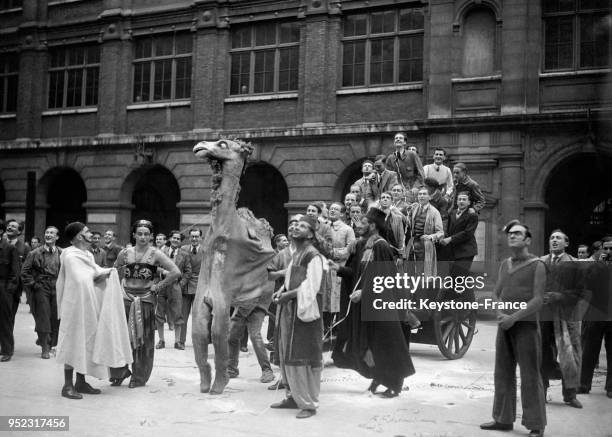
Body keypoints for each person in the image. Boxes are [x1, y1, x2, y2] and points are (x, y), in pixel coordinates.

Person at [332, 207, 415, 397]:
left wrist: (364, 292)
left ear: (372, 225)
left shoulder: (381, 246)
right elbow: (356, 274)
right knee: (372, 343)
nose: (359, 225)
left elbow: (385, 279)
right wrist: (337, 268)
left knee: (386, 343)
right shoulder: (362, 245)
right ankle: (378, 377)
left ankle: (395, 385)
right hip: (369, 304)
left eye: (362, 222)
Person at [480, 220, 546, 437]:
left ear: (528, 240)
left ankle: (536, 424)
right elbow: (496, 293)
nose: (512, 236)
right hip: (505, 325)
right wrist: (500, 313)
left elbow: (538, 300)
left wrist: (514, 318)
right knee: (502, 372)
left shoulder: (537, 265)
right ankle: (502, 419)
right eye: (510, 234)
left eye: (518, 234)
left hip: (526, 327)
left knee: (530, 374)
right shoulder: (505, 264)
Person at [56, 222, 133, 399]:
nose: (90, 234)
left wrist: (109, 271)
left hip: (88, 305)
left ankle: (81, 382)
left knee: (86, 341)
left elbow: (93, 272)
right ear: (78, 237)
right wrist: (98, 274)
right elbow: (80, 278)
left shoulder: (87, 254)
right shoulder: (70, 255)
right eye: (87, 232)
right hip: (74, 307)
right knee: (72, 342)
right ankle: (67, 385)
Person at [110, 220, 180, 388]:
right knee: (122, 338)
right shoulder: (125, 253)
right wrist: (116, 290)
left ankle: (139, 376)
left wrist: (158, 287)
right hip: (126, 299)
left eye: (146, 234)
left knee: (143, 339)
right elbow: (114, 272)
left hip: (146, 300)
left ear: (151, 236)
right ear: (134, 235)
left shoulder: (156, 253)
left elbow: (175, 272)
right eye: (139, 233)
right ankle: (120, 372)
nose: (143, 237)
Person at [270, 215, 325, 419]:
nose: (295, 228)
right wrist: (281, 290)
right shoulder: (297, 253)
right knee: (287, 355)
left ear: (311, 233)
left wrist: (288, 295)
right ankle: (292, 396)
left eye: (302, 226)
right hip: (288, 311)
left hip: (304, 314)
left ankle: (308, 404)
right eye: (294, 225)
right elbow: (290, 278)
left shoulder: (314, 256)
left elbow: (312, 287)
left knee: (302, 357)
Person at [539, 229, 585, 408]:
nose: (554, 240)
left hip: (567, 315)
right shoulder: (540, 262)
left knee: (570, 354)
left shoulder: (574, 264)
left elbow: (581, 291)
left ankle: (570, 394)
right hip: (544, 315)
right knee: (542, 353)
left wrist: (559, 296)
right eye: (552, 238)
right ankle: (541, 391)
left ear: (566, 243)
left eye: (558, 238)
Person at [579, 236, 612, 399]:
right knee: (589, 350)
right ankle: (584, 384)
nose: (608, 252)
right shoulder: (595, 266)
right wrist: (601, 266)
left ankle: (611, 387)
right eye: (605, 249)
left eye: (611, 249)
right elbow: (588, 285)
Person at [21, 226, 62, 359]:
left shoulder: (62, 253)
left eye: (52, 233)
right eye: (47, 233)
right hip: (41, 287)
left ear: (57, 237)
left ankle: (51, 344)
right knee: (43, 317)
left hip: (57, 287)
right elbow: (24, 272)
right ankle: (45, 347)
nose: (48, 235)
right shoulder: (34, 253)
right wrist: (34, 285)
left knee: (56, 317)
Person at [156, 230, 191, 350]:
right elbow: (155, 267)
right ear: (169, 239)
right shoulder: (162, 252)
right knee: (159, 313)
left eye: (178, 239)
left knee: (177, 314)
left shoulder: (184, 254)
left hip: (175, 286)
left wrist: (180, 285)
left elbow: (188, 272)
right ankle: (161, 340)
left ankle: (177, 342)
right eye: (174, 238)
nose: (175, 240)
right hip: (162, 285)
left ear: (181, 241)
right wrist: (160, 279)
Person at [405, 187, 444, 278]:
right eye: (420, 194)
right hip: (412, 245)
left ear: (429, 197)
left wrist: (430, 236)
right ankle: (412, 291)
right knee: (410, 271)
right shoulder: (414, 209)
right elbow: (408, 225)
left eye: (424, 194)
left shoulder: (435, 212)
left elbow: (441, 233)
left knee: (423, 273)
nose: (421, 196)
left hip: (426, 246)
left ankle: (421, 291)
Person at [438, 191, 478, 278]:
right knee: (460, 279)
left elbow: (468, 233)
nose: (461, 201)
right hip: (454, 251)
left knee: (456, 278)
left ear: (469, 202)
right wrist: (443, 236)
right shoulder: (452, 213)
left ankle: (444, 292)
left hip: (466, 251)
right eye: (459, 199)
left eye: (464, 199)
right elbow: (449, 230)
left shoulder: (472, 215)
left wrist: (450, 239)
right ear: (456, 201)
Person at [179, 228, 203, 349]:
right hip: (185, 286)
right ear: (189, 238)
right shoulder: (183, 250)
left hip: (200, 287)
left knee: (198, 317)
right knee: (183, 316)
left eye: (196, 236)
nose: (194, 239)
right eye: (192, 236)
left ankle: (197, 342)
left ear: (200, 238)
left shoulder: (206, 251)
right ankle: (181, 341)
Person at [0, 220, 19, 362]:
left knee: (5, 320)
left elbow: (15, 272)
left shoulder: (9, 249)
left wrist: (8, 291)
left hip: (4, 287)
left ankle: (7, 350)